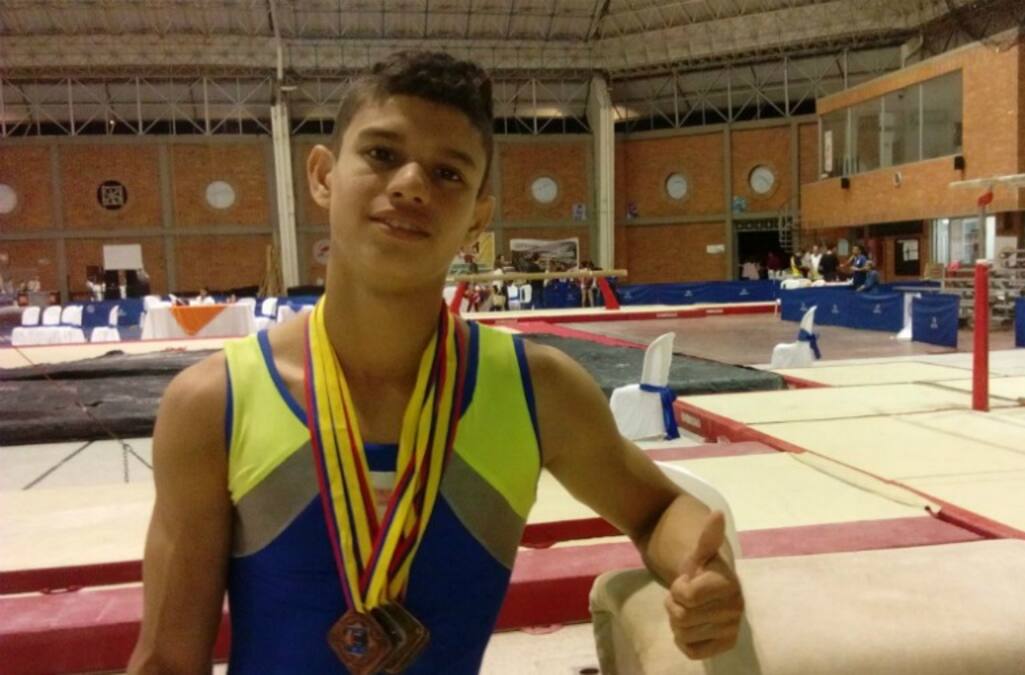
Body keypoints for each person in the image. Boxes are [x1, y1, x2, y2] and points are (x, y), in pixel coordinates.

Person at [129, 51, 742, 675]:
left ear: (478, 218)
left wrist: (705, 573)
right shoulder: (214, 404)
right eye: (381, 154)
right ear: (322, 176)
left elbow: (658, 509)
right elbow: (166, 660)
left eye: (448, 173)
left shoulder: (537, 391)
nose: (412, 185)